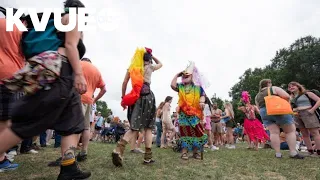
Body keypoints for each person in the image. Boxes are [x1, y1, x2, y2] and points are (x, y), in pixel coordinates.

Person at [0, 0, 92, 179]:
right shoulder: (73, 18)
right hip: (59, 73)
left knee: (73, 124)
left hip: (64, 76)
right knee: (26, 123)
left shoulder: (60, 20)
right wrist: (80, 75)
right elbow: (71, 46)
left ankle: (68, 167)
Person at [112, 47, 162, 166]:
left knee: (134, 127)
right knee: (148, 128)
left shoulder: (132, 68)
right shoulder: (150, 67)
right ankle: (147, 158)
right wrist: (152, 56)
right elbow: (160, 64)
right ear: (149, 60)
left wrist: (123, 97)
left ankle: (119, 149)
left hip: (135, 98)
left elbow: (124, 83)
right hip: (148, 97)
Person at [255, 79, 303, 159]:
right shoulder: (273, 88)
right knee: (290, 131)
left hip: (264, 112)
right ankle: (293, 152)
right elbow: (287, 96)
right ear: (268, 83)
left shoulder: (257, 96)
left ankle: (278, 153)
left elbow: (259, 107)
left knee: (274, 133)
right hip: (277, 109)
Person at [170, 61, 208, 160]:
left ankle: (195, 153)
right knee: (184, 133)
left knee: (196, 133)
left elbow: (203, 96)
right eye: (183, 76)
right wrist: (177, 75)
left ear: (193, 76)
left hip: (195, 114)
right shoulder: (180, 86)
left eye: (187, 75)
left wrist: (202, 102)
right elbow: (172, 85)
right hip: (183, 114)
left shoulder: (198, 87)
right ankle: (184, 153)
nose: (184, 76)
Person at [77, 57, 106, 161]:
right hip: (89, 100)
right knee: (86, 128)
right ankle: (83, 152)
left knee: (75, 126)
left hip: (78, 97)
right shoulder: (96, 70)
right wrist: (94, 100)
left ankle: (69, 154)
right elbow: (104, 89)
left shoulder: (78, 64)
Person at [288, 81, 320, 156]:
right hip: (296, 114)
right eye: (289, 87)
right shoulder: (291, 97)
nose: (291, 88)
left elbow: (319, 100)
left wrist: (312, 110)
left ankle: (318, 151)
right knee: (304, 133)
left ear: (298, 86)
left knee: (314, 132)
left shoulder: (307, 93)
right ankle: (310, 150)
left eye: (293, 86)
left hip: (308, 113)